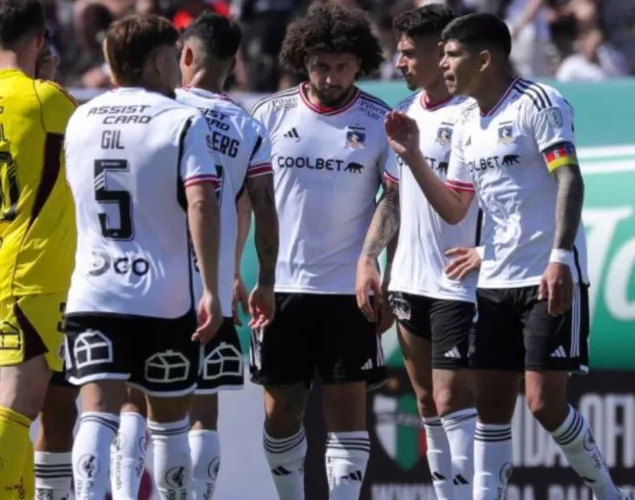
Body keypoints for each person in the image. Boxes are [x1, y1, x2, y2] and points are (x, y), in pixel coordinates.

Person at [384, 12, 629, 500]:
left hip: (547, 276)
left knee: (543, 404)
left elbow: (569, 179)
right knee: (491, 410)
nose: (444, 64)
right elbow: (457, 204)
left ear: (485, 58)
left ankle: (607, 492)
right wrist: (412, 156)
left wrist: (560, 256)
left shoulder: (539, 103)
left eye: (452, 55)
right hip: (494, 283)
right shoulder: (467, 124)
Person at [105, 12, 279, 500]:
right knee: (204, 409)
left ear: (184, 55)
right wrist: (245, 274)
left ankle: (122, 493)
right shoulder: (248, 126)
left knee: (137, 399)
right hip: (214, 283)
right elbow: (255, 207)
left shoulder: (159, 110)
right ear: (233, 64)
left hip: (153, 276)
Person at [61, 13, 223, 500]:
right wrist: (212, 287)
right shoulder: (181, 120)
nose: (178, 67)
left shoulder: (81, 116)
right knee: (169, 421)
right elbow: (200, 201)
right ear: (156, 61)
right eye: (174, 57)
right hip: (163, 294)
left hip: (93, 289)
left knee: (97, 412)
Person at [249, 3, 391, 499]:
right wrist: (234, 274)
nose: (332, 77)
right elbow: (248, 201)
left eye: (343, 66)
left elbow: (393, 199)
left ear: (361, 63)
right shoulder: (269, 114)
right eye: (322, 66)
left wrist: (373, 264)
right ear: (303, 60)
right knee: (280, 410)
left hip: (346, 291)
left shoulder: (379, 120)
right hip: (281, 288)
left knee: (345, 409)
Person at [358, 5, 480, 500]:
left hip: (458, 279)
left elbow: (485, 202)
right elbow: (392, 197)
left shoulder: (474, 114)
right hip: (408, 279)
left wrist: (488, 250)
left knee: (452, 400)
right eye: (398, 51)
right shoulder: (404, 114)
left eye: (409, 53)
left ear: (440, 52)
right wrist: (371, 259)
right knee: (427, 401)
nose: (399, 62)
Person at [0, 36, 77, 500]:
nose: (48, 69)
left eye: (53, 63)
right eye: (44, 61)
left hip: (60, 282)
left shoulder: (63, 121)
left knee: (63, 411)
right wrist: (17, 196)